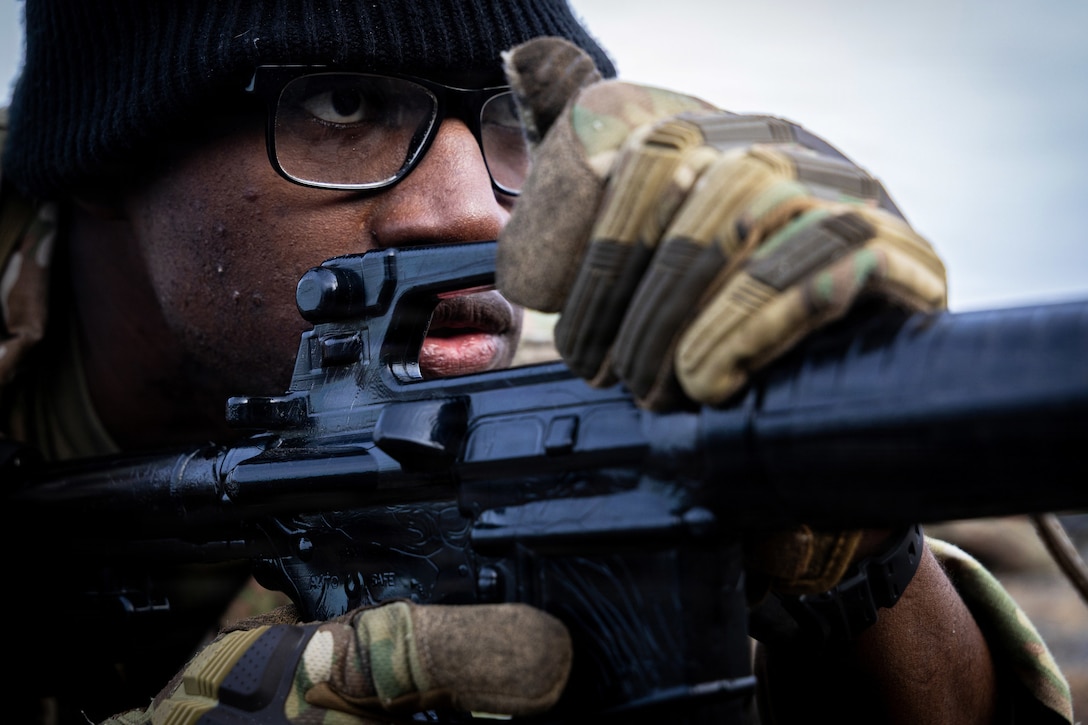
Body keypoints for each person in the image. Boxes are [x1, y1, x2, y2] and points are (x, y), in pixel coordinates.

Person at [0, 1, 1074, 723]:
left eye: (514, 122)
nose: (473, 209)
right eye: (341, 105)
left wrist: (858, 538)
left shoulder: (605, 382)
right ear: (105, 151)